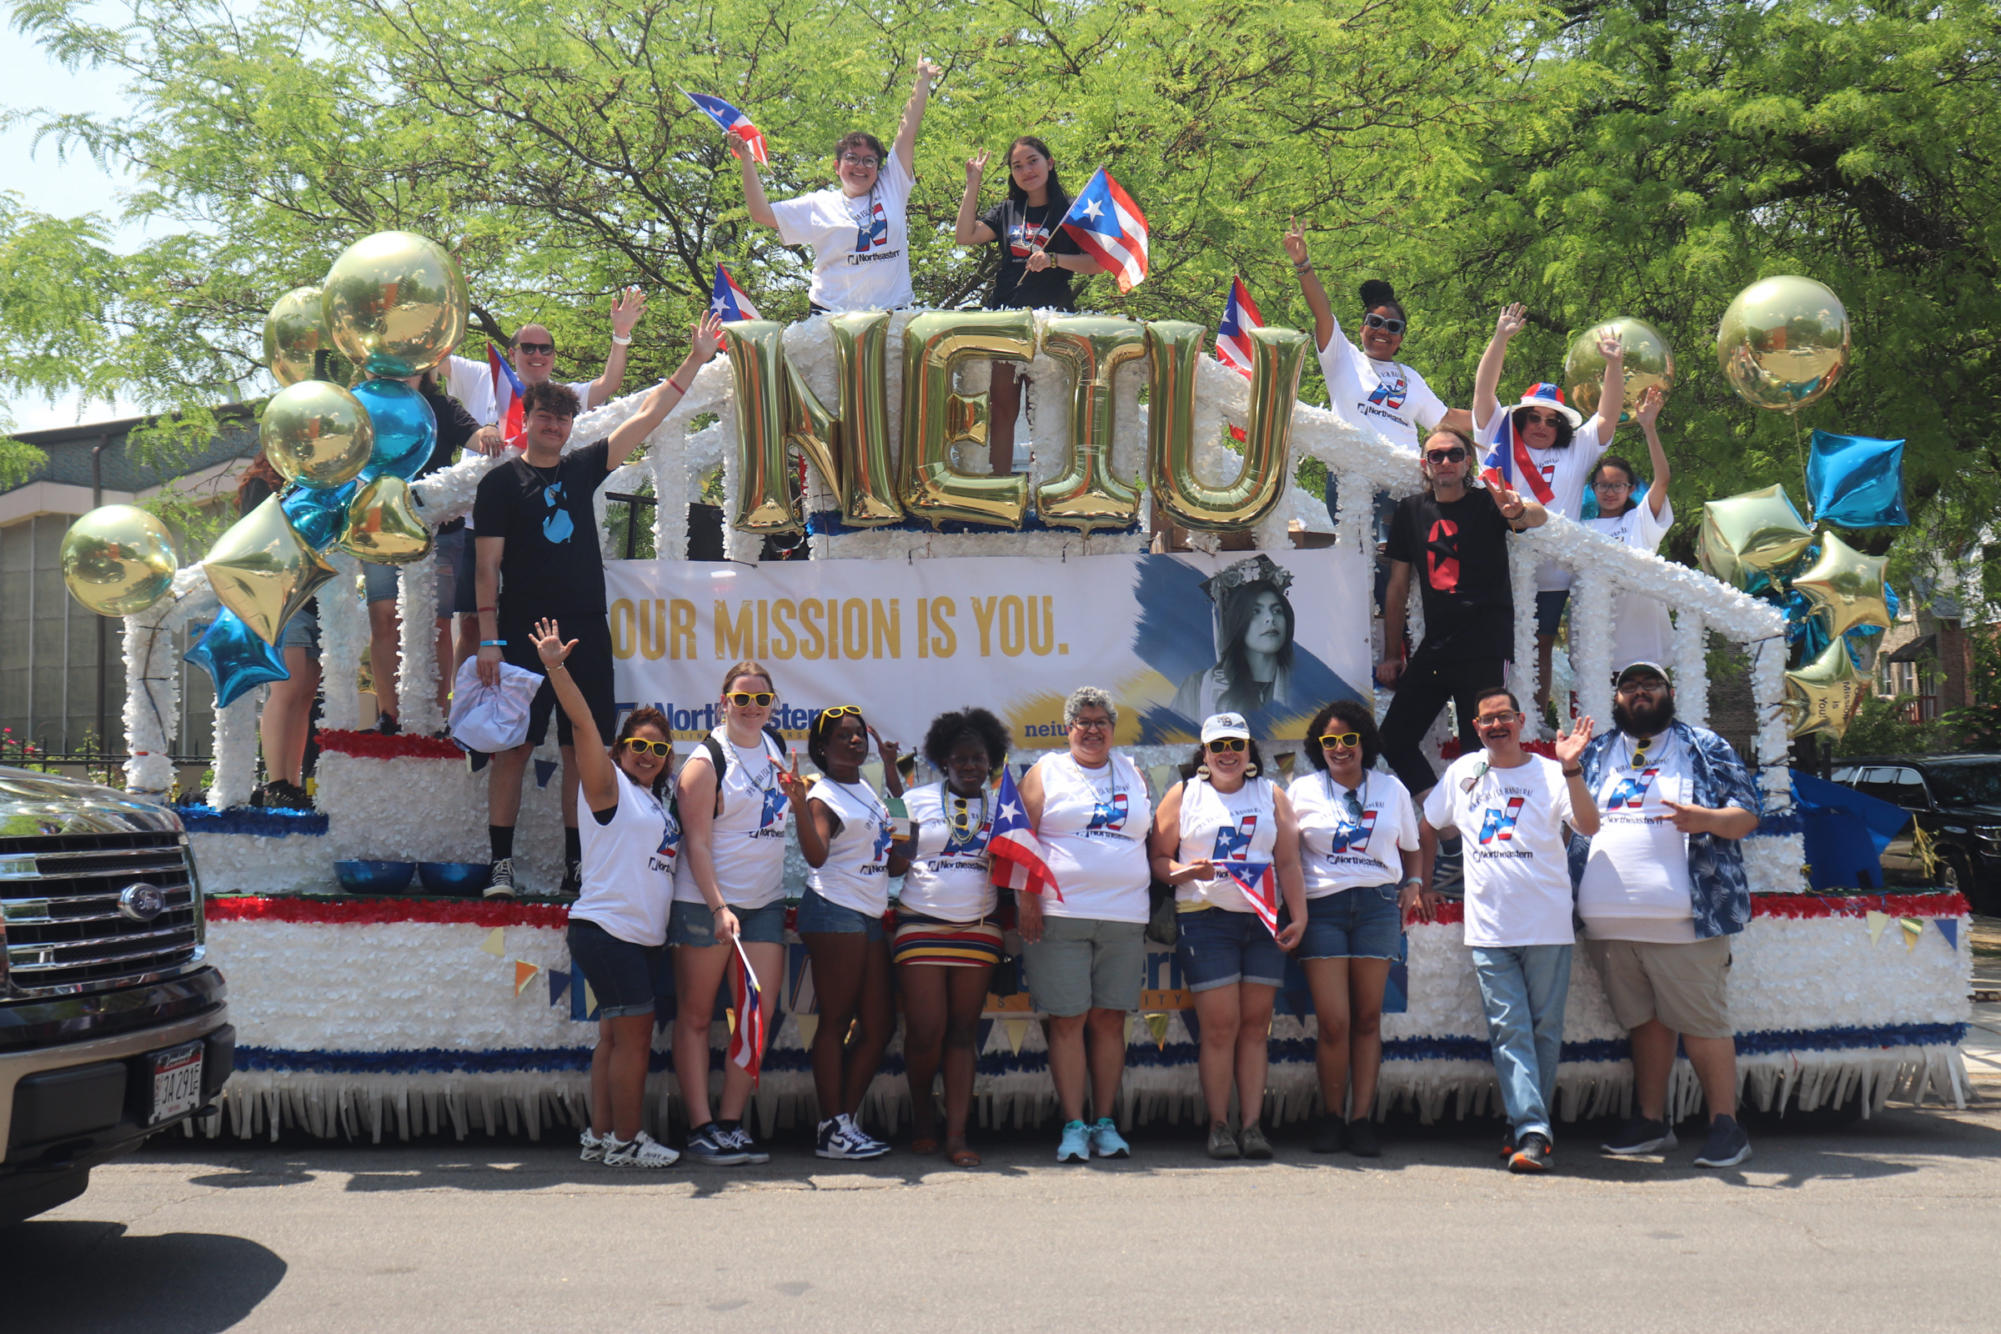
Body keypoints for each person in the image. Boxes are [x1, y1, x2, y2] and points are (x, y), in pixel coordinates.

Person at [473, 313, 725, 899]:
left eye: (563, 418)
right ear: (527, 421)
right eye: (544, 416)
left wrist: (696, 358)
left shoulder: (583, 466)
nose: (555, 425)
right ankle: (500, 868)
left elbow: (648, 415)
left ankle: (576, 866)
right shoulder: (499, 484)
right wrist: (488, 638)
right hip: (518, 633)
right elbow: (486, 567)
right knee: (513, 750)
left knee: (580, 748)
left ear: (569, 425)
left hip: (583, 629)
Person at [1570, 661, 1761, 1169]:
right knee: (1645, 1025)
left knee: (1702, 1024)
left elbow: (1747, 814)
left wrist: (1705, 820)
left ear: (1669, 693)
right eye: (1628, 687)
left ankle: (1726, 1124)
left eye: (1648, 685)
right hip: (1609, 924)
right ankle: (1652, 1122)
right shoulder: (1596, 751)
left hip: (1686, 920)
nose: (1638, 693)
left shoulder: (1703, 745)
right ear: (1616, 699)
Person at [1421, 687, 1598, 1173]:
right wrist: (1427, 881)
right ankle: (1533, 1130)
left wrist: (1573, 767)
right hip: (1490, 929)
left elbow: (1588, 824)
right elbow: (1429, 824)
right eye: (1486, 720)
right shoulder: (1463, 773)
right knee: (1509, 1029)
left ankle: (1525, 1125)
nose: (1496, 726)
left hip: (1546, 923)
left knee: (1543, 1032)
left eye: (1504, 717)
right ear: (1474, 728)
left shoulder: (1550, 771)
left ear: (1521, 721)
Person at [530, 617, 681, 1169]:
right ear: (620, 751)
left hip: (634, 937)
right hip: (608, 930)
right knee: (633, 1042)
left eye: (659, 748)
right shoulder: (608, 786)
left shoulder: (654, 803)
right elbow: (584, 726)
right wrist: (555, 668)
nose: (648, 753)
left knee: (614, 1041)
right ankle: (626, 1140)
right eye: (638, 744)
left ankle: (600, 1135)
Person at [445, 290, 648, 679]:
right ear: (513, 351)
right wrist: (452, 302)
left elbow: (607, 385)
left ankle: (529, 704)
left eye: (546, 349)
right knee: (471, 622)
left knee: (530, 623)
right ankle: (465, 709)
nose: (537, 355)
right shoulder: (479, 376)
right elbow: (436, 358)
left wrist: (621, 334)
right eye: (528, 347)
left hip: (531, 531)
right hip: (477, 523)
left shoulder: (560, 398)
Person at [1150, 712, 1305, 1160]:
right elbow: (1158, 857)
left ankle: (1252, 1127)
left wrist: (1300, 917)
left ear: (1248, 749)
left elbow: (1289, 862)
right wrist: (1184, 872)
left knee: (1256, 1028)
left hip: (1261, 922)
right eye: (1218, 746)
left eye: (1235, 745)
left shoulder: (1271, 793)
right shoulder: (1184, 794)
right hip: (1205, 919)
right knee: (1220, 1029)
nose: (1227, 754)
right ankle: (1219, 1126)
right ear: (1204, 752)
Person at [1288, 699, 1434, 1156]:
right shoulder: (1301, 791)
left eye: (1348, 739)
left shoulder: (1390, 789)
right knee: (1334, 1022)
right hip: (1324, 907)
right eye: (1329, 741)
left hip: (1376, 906)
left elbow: (1412, 846)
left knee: (1368, 1019)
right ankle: (1331, 1117)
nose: (1339, 748)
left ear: (1363, 742)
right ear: (1319, 746)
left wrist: (1414, 882)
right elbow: (1286, 857)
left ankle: (1361, 1120)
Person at [1017, 686, 1157, 1163]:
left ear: (1113, 730)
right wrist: (1027, 898)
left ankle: (1105, 1122)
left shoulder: (1134, 772)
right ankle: (1074, 1126)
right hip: (1060, 913)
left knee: (1110, 1019)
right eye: (1084, 721)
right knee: (1068, 1020)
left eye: (1101, 722)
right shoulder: (1045, 771)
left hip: (1125, 915)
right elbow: (1019, 838)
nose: (1092, 729)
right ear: (1068, 727)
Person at [669, 661, 794, 1168]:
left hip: (764, 902)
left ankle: (730, 1123)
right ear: (723, 702)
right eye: (741, 700)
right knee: (697, 1017)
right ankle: (700, 1128)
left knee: (756, 1017)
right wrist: (719, 906)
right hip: (705, 903)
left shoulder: (779, 747)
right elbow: (694, 843)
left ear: (771, 703)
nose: (751, 708)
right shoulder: (705, 762)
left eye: (760, 700)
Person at [1378, 428, 1547, 801]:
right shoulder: (1410, 510)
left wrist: (1519, 510)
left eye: (1455, 454)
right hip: (1437, 646)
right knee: (1392, 739)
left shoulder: (1488, 502)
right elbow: (1397, 586)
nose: (1446, 462)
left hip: (1486, 644)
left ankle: (1478, 840)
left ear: (1468, 461)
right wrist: (1392, 653)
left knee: (1481, 749)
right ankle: (1448, 821)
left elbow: (1536, 517)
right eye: (1436, 456)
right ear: (1425, 465)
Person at [1472, 309, 1626, 712]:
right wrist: (1500, 339)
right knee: (1496, 643)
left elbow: (1608, 415)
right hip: (1500, 561)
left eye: (1551, 420)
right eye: (1533, 417)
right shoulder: (1500, 434)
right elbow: (1484, 394)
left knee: (1540, 645)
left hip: (1554, 572)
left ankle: (1536, 722)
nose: (1541, 425)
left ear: (1561, 426)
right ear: (1521, 417)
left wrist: (1614, 364)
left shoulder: (1577, 449)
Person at [897, 706, 1012, 1167]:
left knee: (963, 1033)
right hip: (921, 923)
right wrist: (893, 827)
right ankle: (924, 1113)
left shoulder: (1006, 806)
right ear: (943, 761)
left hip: (979, 929)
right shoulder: (915, 799)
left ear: (992, 762)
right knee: (926, 1032)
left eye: (978, 759)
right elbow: (893, 864)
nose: (969, 766)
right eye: (960, 759)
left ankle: (957, 1134)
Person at [794, 705, 907, 1160]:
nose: (856, 741)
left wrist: (895, 776)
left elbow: (899, 859)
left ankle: (841, 1122)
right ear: (822, 748)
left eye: (859, 734)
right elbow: (817, 856)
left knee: (880, 1025)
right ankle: (833, 1128)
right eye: (843, 736)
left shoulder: (867, 790)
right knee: (837, 1020)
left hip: (868, 913)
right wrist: (800, 807)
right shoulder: (823, 795)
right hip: (834, 909)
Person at [739, 61, 942, 314]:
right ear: (837, 167)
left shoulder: (892, 187)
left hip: (892, 315)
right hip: (832, 317)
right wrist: (747, 161)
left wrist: (922, 80)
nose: (860, 165)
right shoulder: (819, 204)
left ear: (879, 168)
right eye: (852, 158)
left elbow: (908, 130)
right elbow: (761, 213)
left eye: (869, 160)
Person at [359, 366, 499, 733]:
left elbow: (477, 436)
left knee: (438, 623)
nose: (404, 366)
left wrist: (489, 433)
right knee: (384, 615)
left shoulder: (443, 406)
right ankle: (388, 715)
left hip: (440, 532)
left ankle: (437, 718)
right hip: (378, 527)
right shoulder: (365, 404)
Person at [953, 136, 1100, 474]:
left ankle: (1045, 488)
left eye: (1032, 161)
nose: (1026, 170)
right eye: (1017, 166)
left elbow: (1096, 262)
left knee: (1045, 409)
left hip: (1054, 322)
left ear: (1049, 163)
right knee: (1002, 407)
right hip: (1007, 321)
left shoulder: (1071, 211)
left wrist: (1054, 260)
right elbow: (964, 236)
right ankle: (1001, 487)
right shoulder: (1007, 211)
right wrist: (972, 184)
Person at [237, 455, 319, 810]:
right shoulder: (263, 483)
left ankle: (293, 782)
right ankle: (275, 781)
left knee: (304, 695)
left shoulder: (323, 478)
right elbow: (256, 540)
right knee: (286, 686)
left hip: (318, 598)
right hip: (283, 595)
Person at [1585, 386, 1675, 669]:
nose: (1610, 492)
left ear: (1631, 489)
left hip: (1648, 645)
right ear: (1593, 488)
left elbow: (1662, 480)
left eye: (1618, 485)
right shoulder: (1580, 530)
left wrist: (1649, 428)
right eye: (1603, 485)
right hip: (1600, 647)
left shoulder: (1640, 520)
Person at [1172, 555, 1298, 722]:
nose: (1270, 618)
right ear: (1236, 622)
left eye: (1276, 610)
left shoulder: (1303, 685)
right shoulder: (1197, 687)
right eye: (1255, 611)